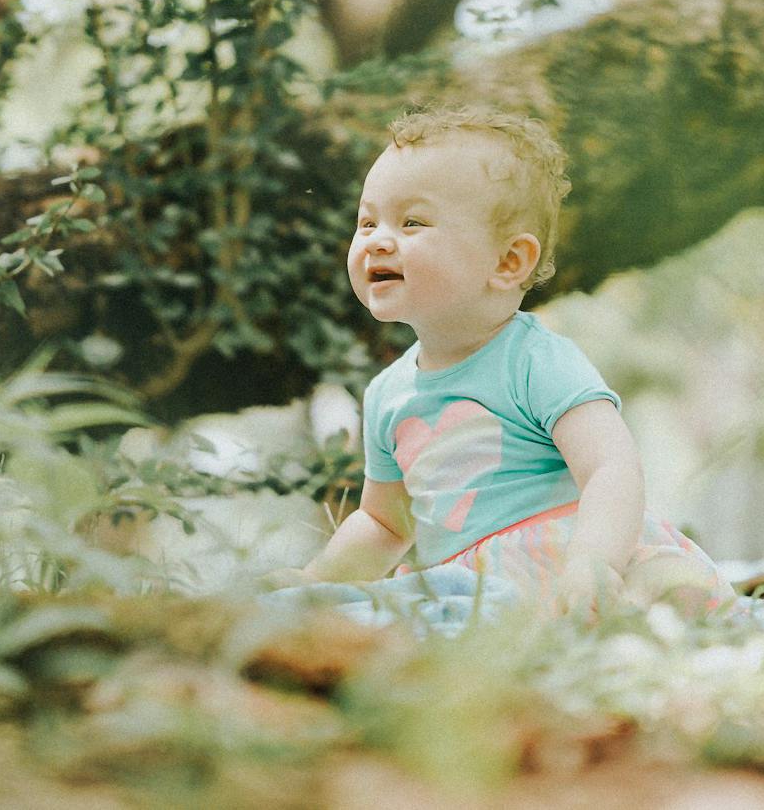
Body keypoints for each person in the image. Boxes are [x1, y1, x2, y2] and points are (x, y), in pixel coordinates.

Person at [273, 106, 732, 616]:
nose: (378, 239)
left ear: (508, 261)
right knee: (408, 613)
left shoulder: (535, 360)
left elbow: (610, 467)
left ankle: (658, 600)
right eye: (367, 221)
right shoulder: (388, 393)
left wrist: (595, 561)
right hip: (472, 581)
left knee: (660, 580)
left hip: (572, 553)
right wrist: (314, 581)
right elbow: (384, 523)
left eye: (412, 222)